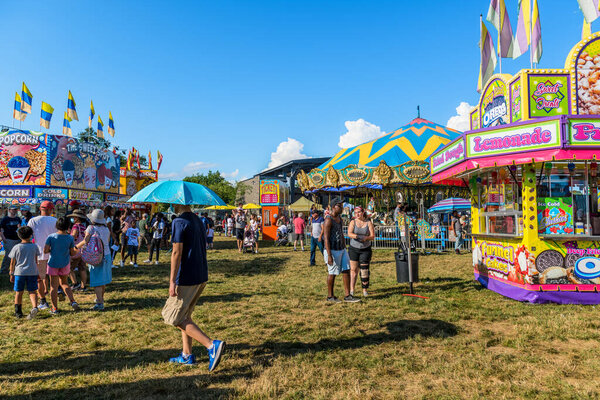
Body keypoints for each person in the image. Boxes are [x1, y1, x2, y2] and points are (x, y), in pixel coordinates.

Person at [162, 203, 225, 370]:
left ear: (178, 203)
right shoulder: (198, 220)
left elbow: (176, 252)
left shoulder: (178, 222)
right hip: (201, 274)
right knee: (185, 315)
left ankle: (211, 345)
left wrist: (172, 281)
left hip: (186, 276)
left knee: (173, 316)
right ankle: (187, 355)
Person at [322, 197, 360, 303]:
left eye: (342, 205)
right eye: (340, 205)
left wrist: (344, 247)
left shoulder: (339, 219)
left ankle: (348, 295)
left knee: (346, 270)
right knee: (332, 272)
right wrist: (329, 255)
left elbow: (341, 234)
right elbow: (326, 238)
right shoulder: (328, 220)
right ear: (334, 207)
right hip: (332, 250)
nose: (342, 207)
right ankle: (330, 296)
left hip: (341, 249)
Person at [76, 209, 112, 311]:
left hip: (95, 256)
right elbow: (107, 241)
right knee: (103, 279)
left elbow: (86, 239)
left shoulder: (91, 228)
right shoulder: (106, 229)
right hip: (106, 255)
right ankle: (100, 298)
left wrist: (76, 247)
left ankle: (100, 303)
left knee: (96, 281)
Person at [44, 217, 80, 315]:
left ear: (57, 226)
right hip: (65, 263)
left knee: (53, 287)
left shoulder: (51, 237)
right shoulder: (69, 238)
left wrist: (53, 250)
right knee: (65, 283)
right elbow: (72, 253)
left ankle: (54, 308)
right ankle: (73, 301)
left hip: (53, 264)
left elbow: (45, 250)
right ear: (68, 226)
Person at [27, 200, 57, 310]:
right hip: (53, 253)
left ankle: (43, 301)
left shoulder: (33, 221)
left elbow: (29, 236)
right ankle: (55, 299)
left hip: (39, 253)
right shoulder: (55, 220)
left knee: (39, 279)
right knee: (54, 277)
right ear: (51, 209)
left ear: (40, 209)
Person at [9, 226, 40, 319]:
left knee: (19, 292)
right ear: (31, 235)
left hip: (19, 273)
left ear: (19, 236)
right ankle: (35, 307)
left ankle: (18, 312)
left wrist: (11, 273)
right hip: (32, 271)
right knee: (32, 291)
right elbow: (36, 260)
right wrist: (37, 272)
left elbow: (12, 262)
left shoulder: (16, 247)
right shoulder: (34, 246)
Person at [347, 206, 375, 297]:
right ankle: (352, 290)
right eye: (355, 213)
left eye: (358, 212)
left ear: (363, 212)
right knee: (353, 270)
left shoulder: (368, 223)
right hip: (354, 248)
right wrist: (357, 237)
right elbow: (349, 233)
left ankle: (364, 289)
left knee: (364, 270)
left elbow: (372, 236)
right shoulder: (353, 222)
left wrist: (366, 238)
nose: (357, 214)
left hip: (365, 249)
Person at [68, 209, 88, 291]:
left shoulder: (76, 226)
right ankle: (83, 286)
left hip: (76, 249)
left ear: (76, 218)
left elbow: (74, 236)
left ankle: (75, 283)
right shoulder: (83, 226)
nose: (72, 218)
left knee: (69, 268)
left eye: (73, 217)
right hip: (83, 250)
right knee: (82, 268)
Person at [1, 205, 23, 274]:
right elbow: (1, 230)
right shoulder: (5, 219)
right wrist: (3, 238)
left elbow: (21, 229)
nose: (14, 211)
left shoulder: (18, 219)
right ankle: (4, 270)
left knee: (17, 256)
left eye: (15, 209)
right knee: (9, 255)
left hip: (18, 239)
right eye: (13, 209)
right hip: (8, 239)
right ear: (9, 210)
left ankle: (15, 270)